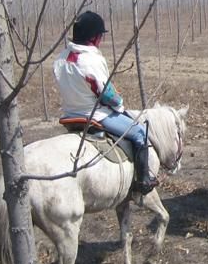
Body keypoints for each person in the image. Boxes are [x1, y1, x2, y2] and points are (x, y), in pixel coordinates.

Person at [53, 11, 158, 195]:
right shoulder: (90, 60)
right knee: (140, 133)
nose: (101, 39)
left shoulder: (60, 58)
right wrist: (120, 103)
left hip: (70, 114)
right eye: (100, 36)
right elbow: (106, 94)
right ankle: (143, 181)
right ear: (94, 37)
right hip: (95, 115)